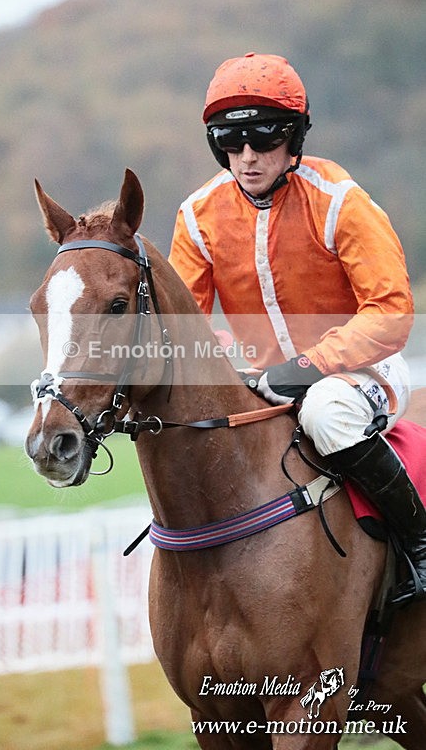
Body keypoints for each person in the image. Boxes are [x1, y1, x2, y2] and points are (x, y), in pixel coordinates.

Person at [169, 52, 425, 603]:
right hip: (264, 383)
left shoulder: (340, 202)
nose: (247, 158)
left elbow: (392, 313)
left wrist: (306, 367)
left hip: (363, 373)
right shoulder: (197, 217)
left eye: (262, 141)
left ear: (293, 139)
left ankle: (421, 548)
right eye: (231, 145)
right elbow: (184, 330)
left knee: (325, 408)